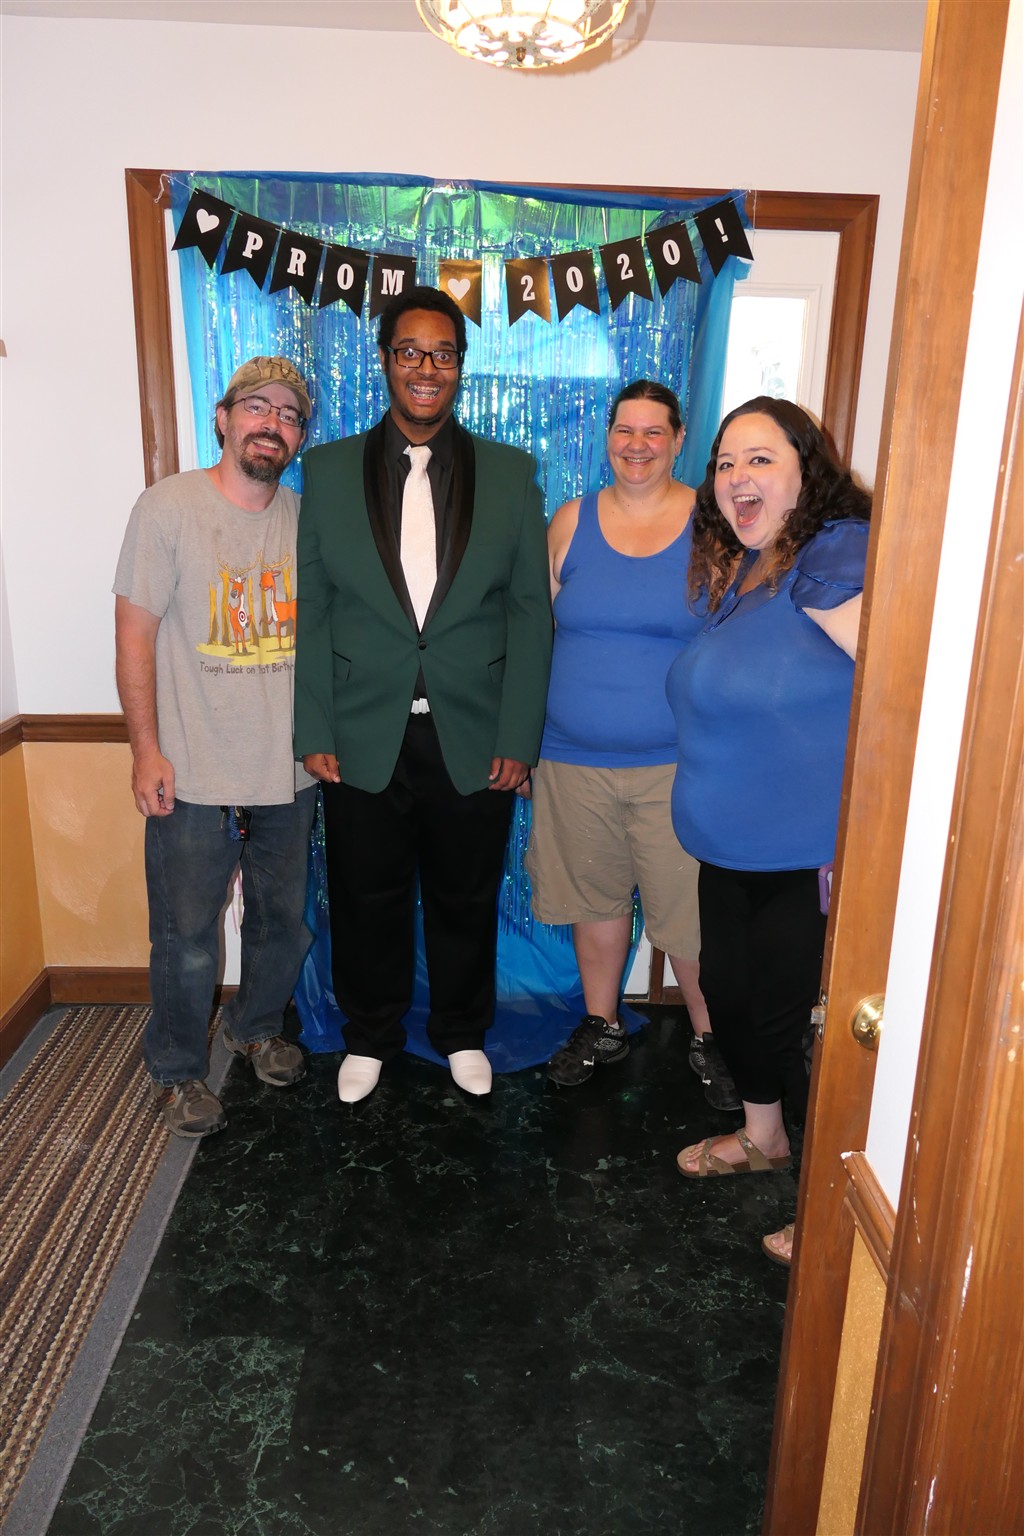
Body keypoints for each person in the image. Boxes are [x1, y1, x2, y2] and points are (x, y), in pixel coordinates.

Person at [294, 286, 552, 1104]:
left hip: (472, 729)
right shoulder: (327, 470)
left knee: (464, 894)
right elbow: (314, 607)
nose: (426, 368)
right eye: (410, 352)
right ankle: (369, 1034)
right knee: (363, 893)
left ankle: (461, 1031)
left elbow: (529, 613)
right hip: (360, 727)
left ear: (461, 367)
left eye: (443, 353)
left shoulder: (510, 474)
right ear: (385, 361)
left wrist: (518, 736)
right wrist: (313, 725)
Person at [667, 396, 871, 1266]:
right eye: (725, 464)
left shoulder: (835, 551)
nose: (736, 477)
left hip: (805, 856)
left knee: (794, 1032)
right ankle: (764, 1137)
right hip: (730, 849)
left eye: (759, 459)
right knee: (731, 997)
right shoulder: (754, 569)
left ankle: (832, 1213)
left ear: (805, 471)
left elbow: (898, 691)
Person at [114, 356, 318, 1138]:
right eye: (258, 407)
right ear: (224, 418)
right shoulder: (167, 509)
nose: (274, 423)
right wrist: (145, 751)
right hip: (192, 771)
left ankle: (255, 1026)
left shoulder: (305, 519)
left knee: (282, 924)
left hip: (288, 774)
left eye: (290, 414)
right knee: (187, 939)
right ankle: (175, 1071)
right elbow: (134, 637)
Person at [526, 380, 736, 1107]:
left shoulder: (712, 527)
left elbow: (736, 643)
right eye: (625, 430)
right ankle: (602, 1023)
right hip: (571, 759)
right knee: (596, 900)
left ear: (678, 440)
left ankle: (711, 1039)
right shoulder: (570, 521)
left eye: (653, 432)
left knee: (690, 915)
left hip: (678, 766)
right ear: (608, 438)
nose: (637, 445)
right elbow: (537, 635)